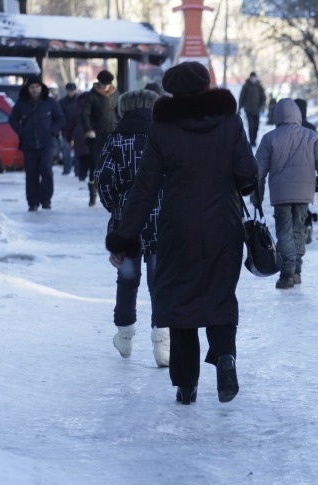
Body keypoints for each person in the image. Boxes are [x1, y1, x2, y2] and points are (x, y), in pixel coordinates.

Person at [105, 61, 258, 406]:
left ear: (171, 90)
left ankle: (186, 385)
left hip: (178, 227)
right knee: (220, 295)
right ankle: (225, 359)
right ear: (206, 85)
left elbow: (144, 189)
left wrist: (124, 238)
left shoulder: (163, 129)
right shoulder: (230, 122)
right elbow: (247, 173)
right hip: (224, 225)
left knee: (181, 303)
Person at [94, 89, 169, 367]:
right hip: (162, 218)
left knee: (127, 278)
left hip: (127, 220)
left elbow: (103, 178)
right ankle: (162, 343)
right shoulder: (165, 137)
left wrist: (116, 206)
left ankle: (124, 336)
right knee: (159, 281)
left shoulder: (116, 139)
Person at [253, 98, 318, 289]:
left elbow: (258, 173)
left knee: (284, 231)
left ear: (277, 116)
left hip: (281, 194)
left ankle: (287, 272)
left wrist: (257, 197)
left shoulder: (269, 138)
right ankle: (296, 270)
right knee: (299, 229)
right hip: (305, 192)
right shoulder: (311, 136)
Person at [8, 75, 65, 212]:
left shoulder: (50, 102)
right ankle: (32, 202)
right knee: (31, 173)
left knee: (46, 170)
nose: (34, 89)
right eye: (32, 87)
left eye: (37, 87)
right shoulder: (21, 103)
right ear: (28, 89)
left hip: (47, 143)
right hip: (29, 144)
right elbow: (12, 119)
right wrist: (21, 131)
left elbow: (60, 118)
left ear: (41, 87)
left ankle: (46, 200)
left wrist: (53, 130)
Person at [82, 69, 118, 207]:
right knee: (96, 165)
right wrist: (89, 130)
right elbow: (85, 114)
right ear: (99, 83)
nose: (106, 87)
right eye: (104, 84)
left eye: (108, 84)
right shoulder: (92, 95)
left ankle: (113, 193)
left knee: (114, 165)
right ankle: (93, 196)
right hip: (96, 136)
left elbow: (119, 111)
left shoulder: (115, 93)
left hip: (113, 133)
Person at [237, 71, 266, 146]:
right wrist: (239, 108)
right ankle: (252, 141)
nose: (253, 79)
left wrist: (262, 106)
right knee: (251, 126)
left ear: (256, 78)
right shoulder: (246, 86)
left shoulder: (259, 86)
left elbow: (263, 97)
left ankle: (254, 139)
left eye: (254, 78)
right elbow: (242, 97)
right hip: (248, 110)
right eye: (252, 77)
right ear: (250, 78)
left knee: (256, 126)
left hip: (257, 110)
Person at [57, 82, 79, 175]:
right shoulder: (62, 102)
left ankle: (78, 170)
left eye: (72, 90)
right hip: (66, 129)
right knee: (66, 150)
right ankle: (67, 169)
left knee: (77, 151)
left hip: (77, 130)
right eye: (69, 91)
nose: (70, 92)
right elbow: (60, 116)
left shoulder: (79, 101)